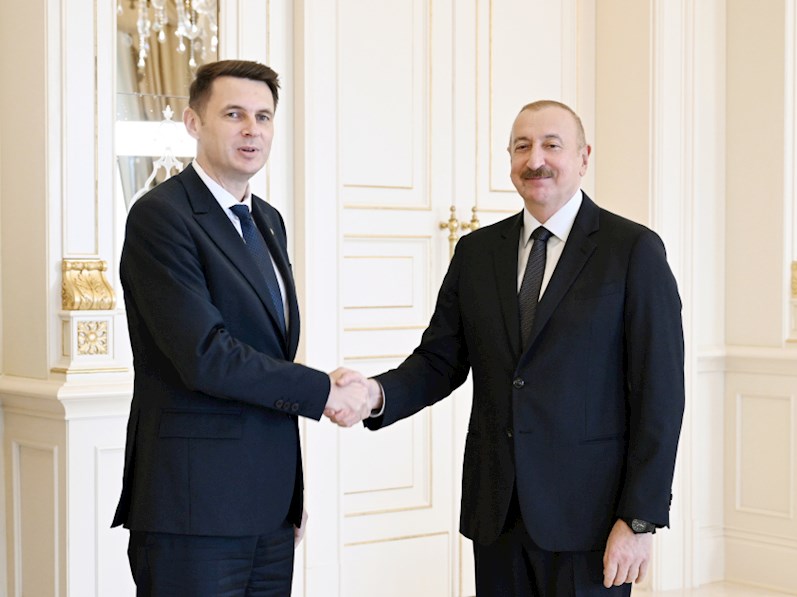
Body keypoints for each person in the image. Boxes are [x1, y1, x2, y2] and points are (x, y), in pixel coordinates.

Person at [330, 100, 685, 595]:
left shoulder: (632, 250)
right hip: (497, 511)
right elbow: (438, 361)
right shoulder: (477, 252)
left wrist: (639, 519)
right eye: (522, 147)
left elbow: (660, 393)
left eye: (551, 145)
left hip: (591, 519)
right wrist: (374, 394)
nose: (535, 159)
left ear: (584, 157)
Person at [112, 60, 374, 596]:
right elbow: (205, 355)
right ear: (193, 122)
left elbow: (267, 353)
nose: (252, 129)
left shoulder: (268, 220)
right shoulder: (161, 216)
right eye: (233, 114)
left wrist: (289, 497)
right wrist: (323, 390)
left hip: (269, 511)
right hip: (193, 512)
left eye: (263, 116)